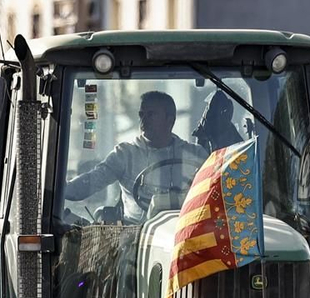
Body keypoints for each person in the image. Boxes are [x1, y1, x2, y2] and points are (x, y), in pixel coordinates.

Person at [67, 91, 208, 221]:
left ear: (170, 120)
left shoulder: (196, 155)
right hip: (135, 240)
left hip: (186, 235)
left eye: (151, 114)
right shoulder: (125, 155)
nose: (144, 121)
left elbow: (215, 193)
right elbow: (88, 184)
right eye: (142, 115)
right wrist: (57, 189)